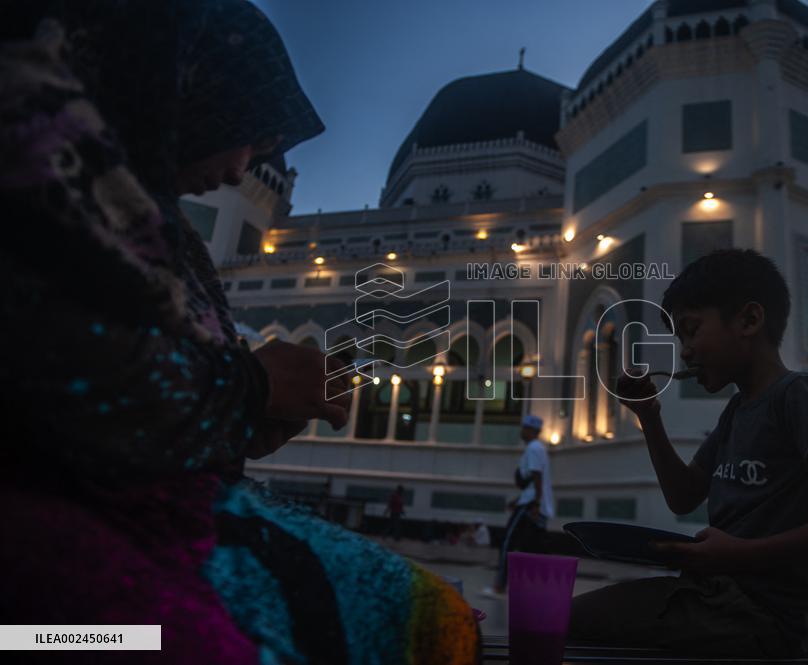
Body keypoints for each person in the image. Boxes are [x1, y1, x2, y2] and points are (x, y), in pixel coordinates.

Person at [0, 2, 478, 663]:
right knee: (176, 641)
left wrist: (256, 417)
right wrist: (251, 387)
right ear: (178, 85)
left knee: (432, 619)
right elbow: (70, 393)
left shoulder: (168, 240)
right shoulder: (32, 171)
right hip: (41, 563)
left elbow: (156, 413)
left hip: (159, 522)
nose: (238, 171)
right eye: (244, 134)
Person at [568, 249, 808, 658]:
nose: (685, 351)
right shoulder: (737, 412)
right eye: (679, 339)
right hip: (718, 599)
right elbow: (684, 495)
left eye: (691, 331)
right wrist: (649, 418)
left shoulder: (798, 395)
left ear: (749, 320)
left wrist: (742, 555)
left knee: (566, 620)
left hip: (761, 615)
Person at [481, 414, 554, 597]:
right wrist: (518, 500)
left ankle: (499, 586)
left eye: (525, 428)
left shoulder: (534, 448)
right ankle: (537, 588)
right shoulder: (538, 449)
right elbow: (533, 480)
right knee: (533, 548)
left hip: (530, 505)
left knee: (508, 541)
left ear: (532, 430)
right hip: (530, 502)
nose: (522, 431)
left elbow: (537, 476)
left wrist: (535, 503)